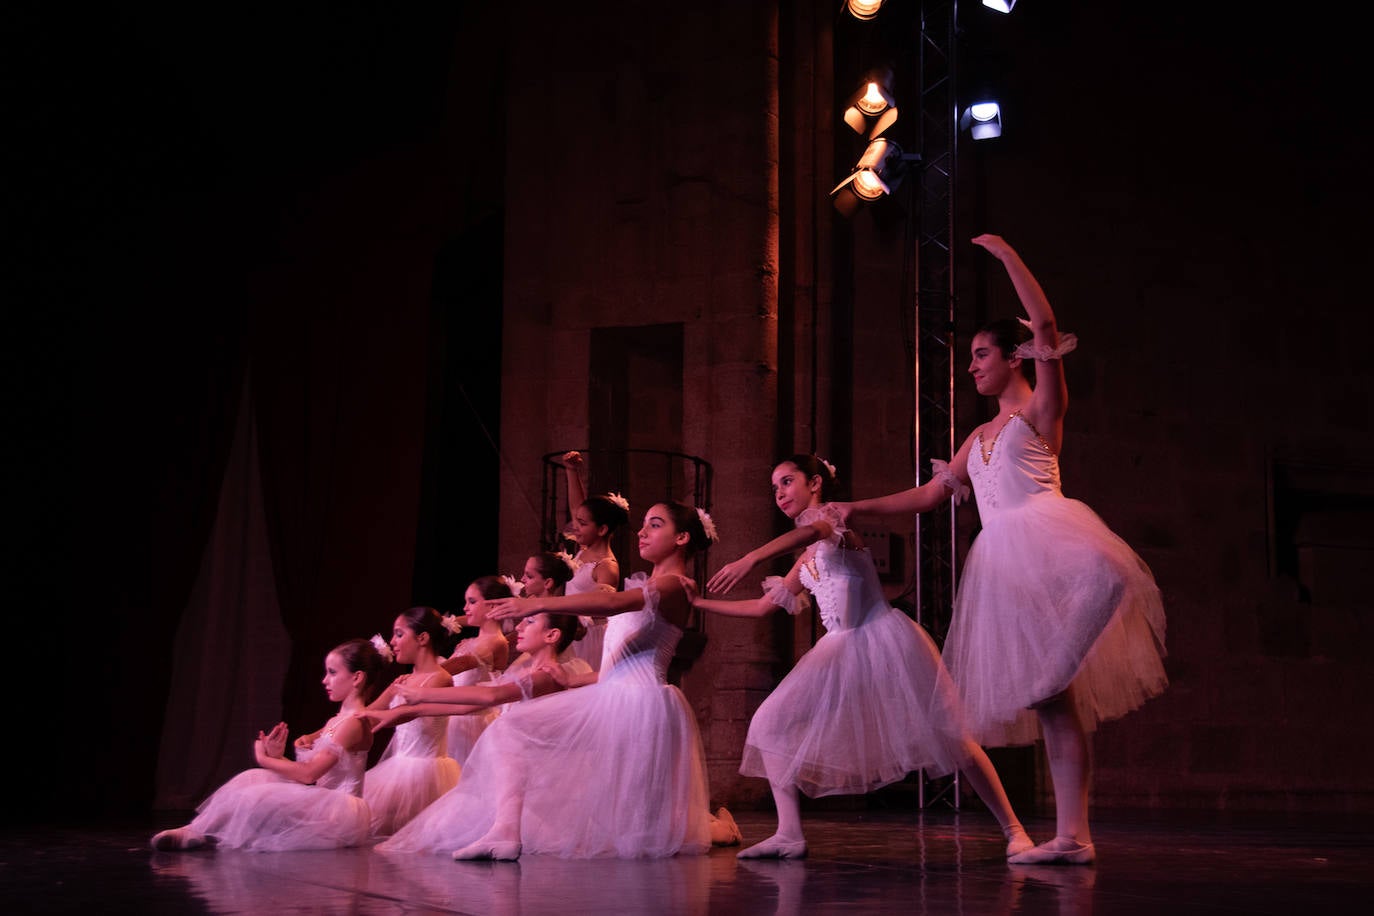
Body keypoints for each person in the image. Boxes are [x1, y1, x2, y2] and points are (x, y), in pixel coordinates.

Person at [836, 234, 1168, 865]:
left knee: (1049, 683)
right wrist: (856, 506)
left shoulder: (1043, 408)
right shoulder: (979, 436)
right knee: (1050, 703)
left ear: (1015, 357)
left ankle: (1074, 835)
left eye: (981, 354)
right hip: (1010, 569)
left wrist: (1009, 256)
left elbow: (1043, 323)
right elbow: (932, 494)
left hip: (1060, 550)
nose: (971, 367)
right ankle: (1074, 838)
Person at [698, 455, 1031, 860]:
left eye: (787, 482)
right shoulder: (807, 560)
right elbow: (763, 606)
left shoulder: (836, 525)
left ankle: (1015, 831)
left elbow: (812, 531)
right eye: (775, 487)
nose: (779, 493)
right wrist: (698, 603)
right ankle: (789, 833)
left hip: (883, 643)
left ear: (815, 482)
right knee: (769, 724)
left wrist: (751, 557)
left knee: (954, 737)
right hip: (838, 650)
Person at [374, 500, 717, 860]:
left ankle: (507, 832)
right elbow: (624, 661)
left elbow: (614, 605)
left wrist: (537, 605)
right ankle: (505, 831)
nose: (643, 532)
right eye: (643, 524)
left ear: (681, 537)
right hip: (613, 692)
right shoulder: (649, 584)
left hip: (639, 703)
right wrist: (574, 683)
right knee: (514, 730)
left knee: (635, 815)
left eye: (655, 525)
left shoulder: (676, 586)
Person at [150, 638, 385, 852]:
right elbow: (312, 774)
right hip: (325, 801)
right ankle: (197, 831)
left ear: (357, 677)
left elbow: (309, 774)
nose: (325, 680)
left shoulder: (354, 723)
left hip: (338, 812)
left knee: (257, 796)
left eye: (332, 673)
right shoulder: (338, 720)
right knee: (252, 778)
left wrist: (266, 759)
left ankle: (204, 834)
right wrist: (277, 756)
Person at [361, 608, 461, 837]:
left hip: (426, 773)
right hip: (398, 766)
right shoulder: (403, 680)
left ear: (422, 638)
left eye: (399, 634)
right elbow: (366, 712)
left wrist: (383, 716)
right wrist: (319, 735)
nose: (393, 642)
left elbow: (407, 713)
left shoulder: (440, 678)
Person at [558, 450, 630, 670]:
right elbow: (576, 507)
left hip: (588, 638)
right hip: (571, 630)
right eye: (577, 522)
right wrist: (571, 471)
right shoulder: (584, 549)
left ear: (602, 529)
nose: (575, 527)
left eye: (582, 524)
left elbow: (603, 607)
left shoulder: (606, 565)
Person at [440, 576, 514, 765]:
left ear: (491, 606)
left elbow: (458, 666)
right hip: (456, 717)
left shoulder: (495, 642)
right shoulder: (472, 642)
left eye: (472, 602)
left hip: (473, 724)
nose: (465, 608)